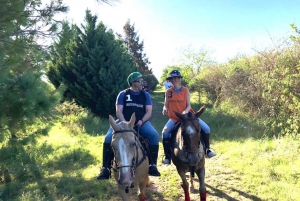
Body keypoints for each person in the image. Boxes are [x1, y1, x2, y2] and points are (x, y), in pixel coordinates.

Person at [97, 72, 161, 180]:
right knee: (108, 138)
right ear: (133, 82)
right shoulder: (123, 94)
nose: (142, 83)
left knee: (154, 135)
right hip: (123, 122)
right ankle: (106, 168)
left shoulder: (145, 95)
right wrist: (126, 124)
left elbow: (149, 111)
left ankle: (152, 165)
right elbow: (119, 111)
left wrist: (142, 120)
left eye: (142, 80)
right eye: (139, 80)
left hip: (141, 123)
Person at [161, 70, 216, 164]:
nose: (174, 80)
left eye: (176, 78)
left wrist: (185, 112)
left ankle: (207, 150)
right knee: (165, 133)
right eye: (172, 78)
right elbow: (166, 104)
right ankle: (168, 156)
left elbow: (188, 105)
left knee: (206, 128)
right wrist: (165, 108)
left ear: (179, 79)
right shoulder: (168, 92)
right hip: (175, 118)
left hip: (188, 117)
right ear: (170, 80)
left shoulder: (185, 90)